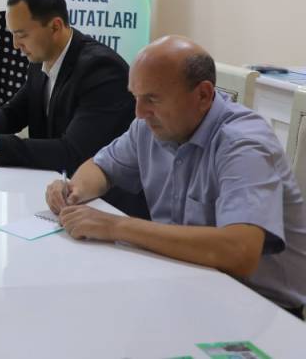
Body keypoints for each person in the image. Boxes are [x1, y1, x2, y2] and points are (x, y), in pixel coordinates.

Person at [46, 36, 306, 316]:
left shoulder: (244, 145)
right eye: (135, 97)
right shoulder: (151, 126)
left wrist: (116, 226)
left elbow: (240, 252)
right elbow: (101, 167)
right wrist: (73, 191)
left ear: (203, 95)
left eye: (152, 99)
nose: (139, 113)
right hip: (191, 281)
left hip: (264, 307)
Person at [0, 0, 147, 217]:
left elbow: (72, 152)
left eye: (21, 35)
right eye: (12, 34)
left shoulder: (101, 69)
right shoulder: (41, 56)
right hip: (58, 191)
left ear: (55, 27)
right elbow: (14, 112)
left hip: (107, 206)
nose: (15, 45)